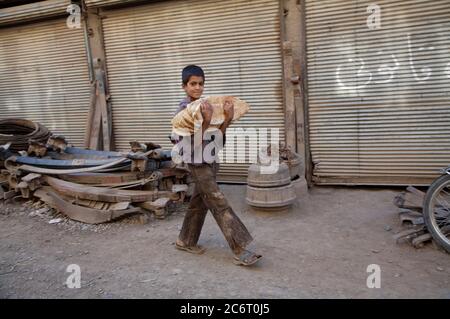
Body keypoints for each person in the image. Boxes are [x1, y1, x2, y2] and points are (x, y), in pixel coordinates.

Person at [171, 65, 262, 266]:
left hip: (211, 160)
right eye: (193, 84)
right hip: (197, 163)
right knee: (219, 203)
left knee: (198, 203)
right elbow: (190, 144)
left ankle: (185, 240)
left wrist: (227, 119)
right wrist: (206, 121)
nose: (198, 88)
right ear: (184, 86)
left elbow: (216, 138)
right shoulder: (182, 112)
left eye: (201, 84)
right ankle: (239, 249)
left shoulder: (209, 105)